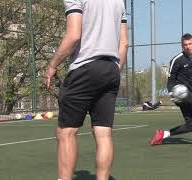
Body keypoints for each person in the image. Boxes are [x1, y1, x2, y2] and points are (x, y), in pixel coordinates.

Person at [45, 0, 128, 179]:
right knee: (103, 133)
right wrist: (114, 70)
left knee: (66, 131)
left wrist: (52, 64)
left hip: (84, 69)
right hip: (111, 69)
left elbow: (74, 35)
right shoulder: (119, 2)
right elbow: (124, 44)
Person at [149, 33, 192, 147]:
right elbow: (170, 80)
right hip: (181, 96)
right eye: (185, 44)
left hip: (190, 93)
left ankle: (163, 134)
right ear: (182, 45)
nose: (188, 46)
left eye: (190, 44)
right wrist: (172, 93)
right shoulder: (177, 60)